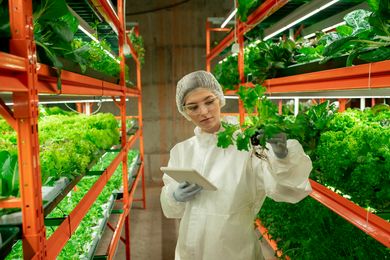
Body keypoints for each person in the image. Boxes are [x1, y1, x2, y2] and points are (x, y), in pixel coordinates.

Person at [160, 70, 312, 260]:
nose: (204, 112)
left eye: (209, 101)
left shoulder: (247, 147)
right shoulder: (181, 151)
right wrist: (174, 195)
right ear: (185, 112)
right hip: (189, 250)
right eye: (193, 107)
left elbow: (285, 189)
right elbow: (171, 207)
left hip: (236, 250)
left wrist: (283, 158)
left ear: (220, 99)